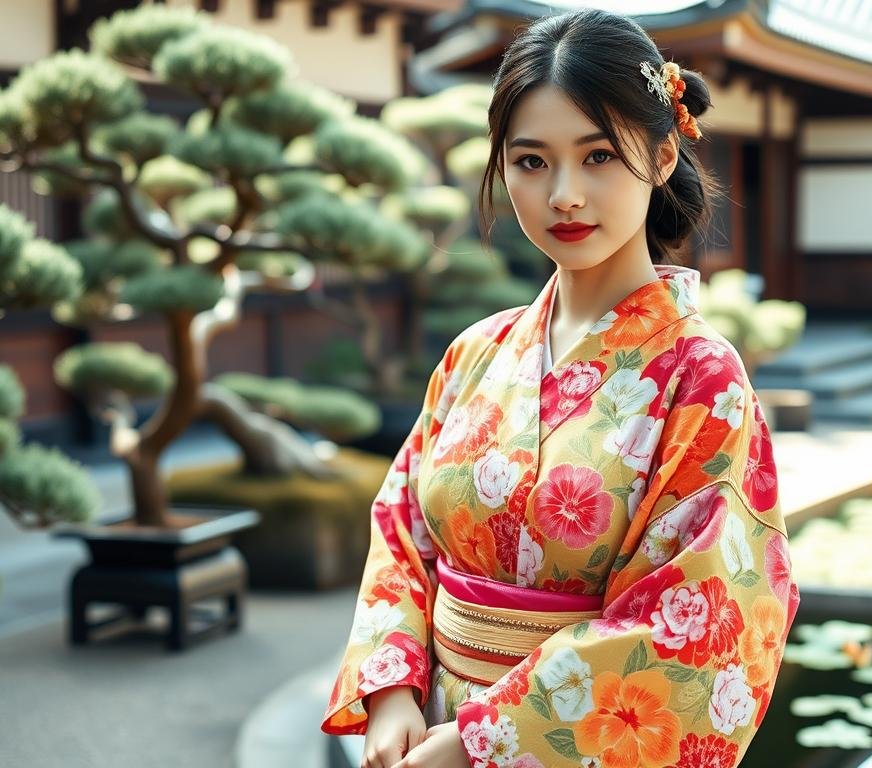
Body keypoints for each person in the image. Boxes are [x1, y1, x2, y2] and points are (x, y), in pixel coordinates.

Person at [321, 8, 800, 768]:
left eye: (600, 156)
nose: (564, 194)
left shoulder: (703, 379)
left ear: (664, 152)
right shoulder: (477, 351)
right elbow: (402, 527)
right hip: (429, 730)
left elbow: (699, 623)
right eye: (532, 161)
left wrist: (485, 740)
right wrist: (390, 692)